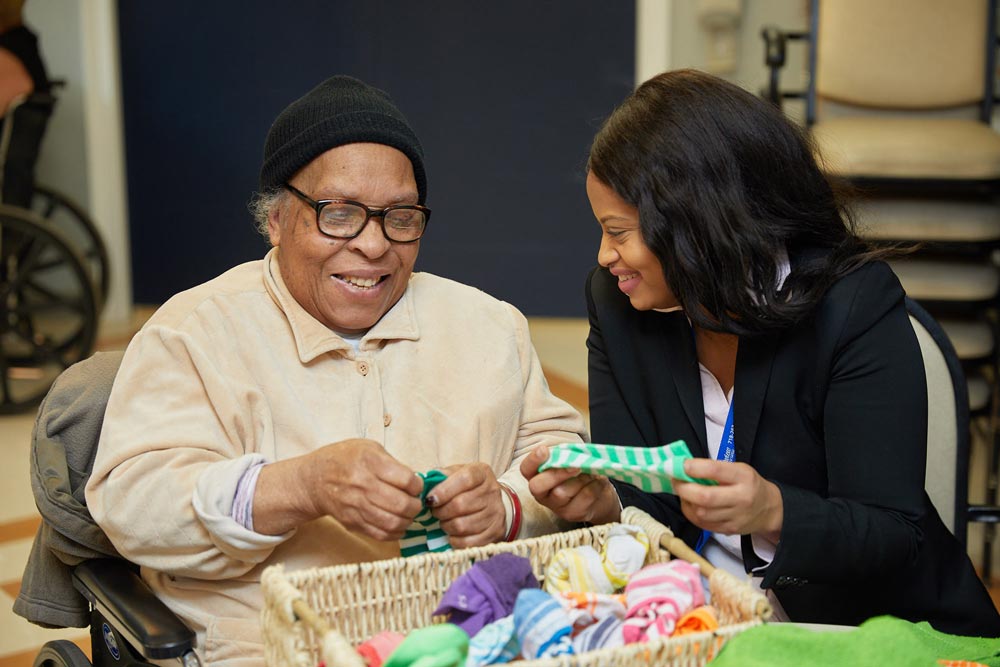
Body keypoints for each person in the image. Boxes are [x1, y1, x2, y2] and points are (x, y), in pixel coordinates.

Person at [85, 75, 587, 666]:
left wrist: (507, 507)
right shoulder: (195, 333)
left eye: (400, 218)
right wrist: (300, 485)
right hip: (267, 647)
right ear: (275, 219)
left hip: (470, 642)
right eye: (339, 214)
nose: (374, 246)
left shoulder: (488, 325)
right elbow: (134, 505)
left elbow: (563, 460)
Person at [522, 68, 1000, 637]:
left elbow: (894, 535)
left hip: (867, 631)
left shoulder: (852, 306)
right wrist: (602, 500)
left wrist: (773, 510)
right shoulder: (619, 304)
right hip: (704, 619)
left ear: (698, 228)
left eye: (619, 232)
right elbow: (650, 499)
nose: (605, 257)